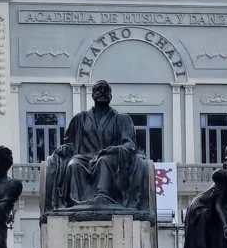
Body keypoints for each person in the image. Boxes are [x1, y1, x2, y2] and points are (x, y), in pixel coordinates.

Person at [43, 80, 152, 218]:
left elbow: (129, 146)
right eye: (98, 89)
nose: (102, 92)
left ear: (111, 96)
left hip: (113, 159)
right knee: (73, 165)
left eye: (106, 90)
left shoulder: (122, 119)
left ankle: (103, 197)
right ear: (93, 94)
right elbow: (70, 144)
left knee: (103, 161)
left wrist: (115, 150)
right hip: (85, 158)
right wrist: (64, 148)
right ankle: (75, 203)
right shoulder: (80, 119)